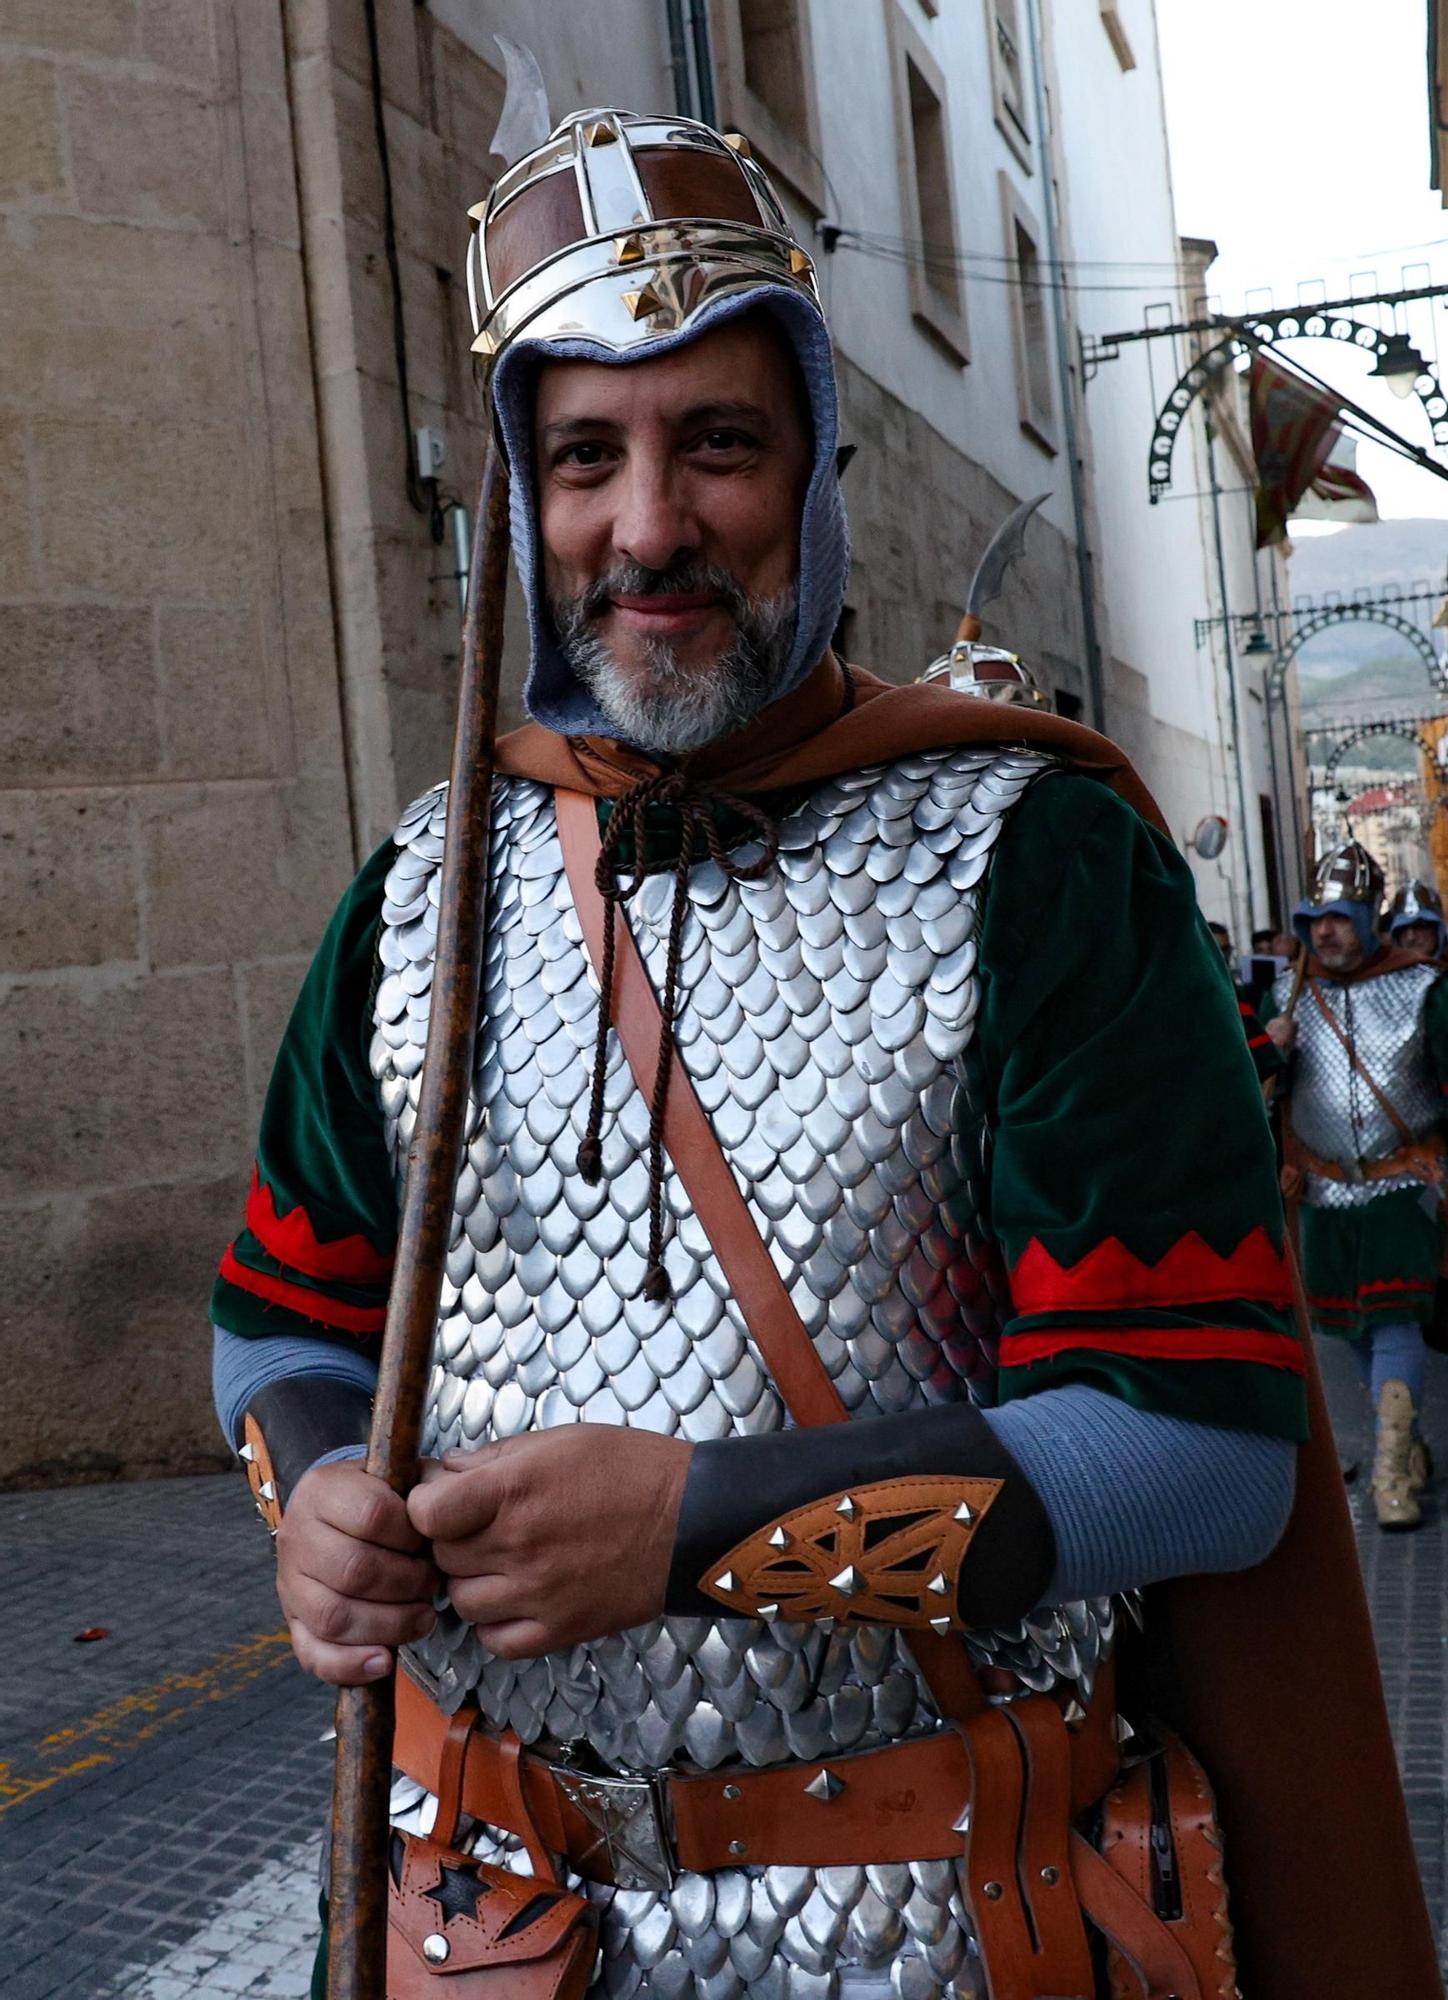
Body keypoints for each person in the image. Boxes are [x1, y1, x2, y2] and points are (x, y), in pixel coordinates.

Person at [211, 108, 1435, 1999]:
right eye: (582, 459)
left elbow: (1201, 1452)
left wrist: (692, 1525)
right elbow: (278, 1319)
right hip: (482, 1920)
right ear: (519, 511)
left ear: (813, 465)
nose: (647, 526)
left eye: (715, 442)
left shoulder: (1035, 862)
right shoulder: (417, 891)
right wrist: (317, 1504)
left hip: (940, 1920)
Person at [1264, 841, 1448, 1530]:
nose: (1325, 930)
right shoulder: (1286, 995)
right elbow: (1260, 1093)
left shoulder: (1424, 988)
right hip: (1322, 1190)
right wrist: (1269, 1045)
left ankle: (1391, 1470)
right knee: (1353, 1329)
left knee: (1395, 1315)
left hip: (1405, 1185)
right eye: (1316, 917)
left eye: (1340, 916)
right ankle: (1409, 1438)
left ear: (1370, 916)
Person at [1387, 876, 1447, 963]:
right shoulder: (1385, 975)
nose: (1410, 937)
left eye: (1419, 926)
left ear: (1437, 928)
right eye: (1402, 929)